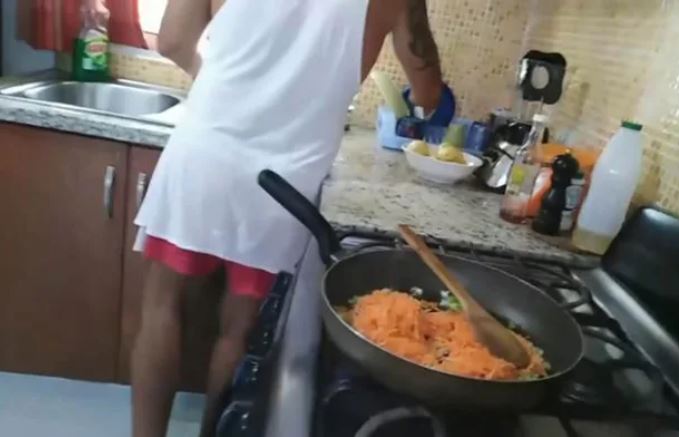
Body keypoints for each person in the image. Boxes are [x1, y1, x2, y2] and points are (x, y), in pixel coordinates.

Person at [130, 0, 445, 437]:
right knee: (239, 331)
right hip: (286, 185)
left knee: (163, 308)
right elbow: (428, 95)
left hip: (206, 152)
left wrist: (218, 81)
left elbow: (172, 41)